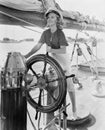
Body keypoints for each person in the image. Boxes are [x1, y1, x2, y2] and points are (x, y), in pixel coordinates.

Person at [25, 8, 77, 120]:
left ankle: (74, 111)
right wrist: (26, 56)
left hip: (64, 62)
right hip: (53, 63)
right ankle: (58, 113)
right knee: (57, 89)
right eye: (48, 17)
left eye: (52, 17)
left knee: (70, 88)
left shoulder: (60, 33)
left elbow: (63, 50)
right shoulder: (45, 33)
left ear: (57, 20)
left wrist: (51, 49)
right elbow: (38, 46)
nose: (49, 19)